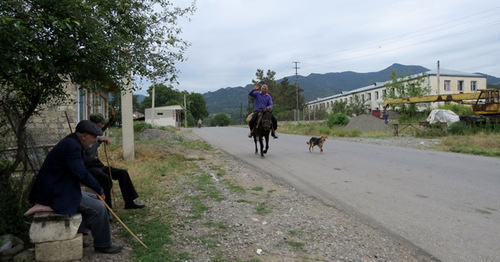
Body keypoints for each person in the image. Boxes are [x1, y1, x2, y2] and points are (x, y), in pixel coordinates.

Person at [27, 120, 123, 254]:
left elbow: (78, 171)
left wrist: (97, 191)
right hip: (56, 191)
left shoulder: (72, 142)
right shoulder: (72, 147)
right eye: (94, 137)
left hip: (59, 186)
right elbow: (81, 173)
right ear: (84, 136)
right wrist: (99, 189)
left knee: (93, 199)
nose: (96, 140)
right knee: (99, 207)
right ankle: (103, 245)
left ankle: (83, 230)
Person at [86, 113, 145, 210]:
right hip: (88, 167)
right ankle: (107, 209)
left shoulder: (95, 132)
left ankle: (129, 202)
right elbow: (89, 151)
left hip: (98, 165)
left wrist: (112, 118)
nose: (103, 126)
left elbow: (104, 128)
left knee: (123, 173)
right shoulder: (87, 136)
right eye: (101, 124)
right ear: (95, 124)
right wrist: (100, 141)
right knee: (106, 179)